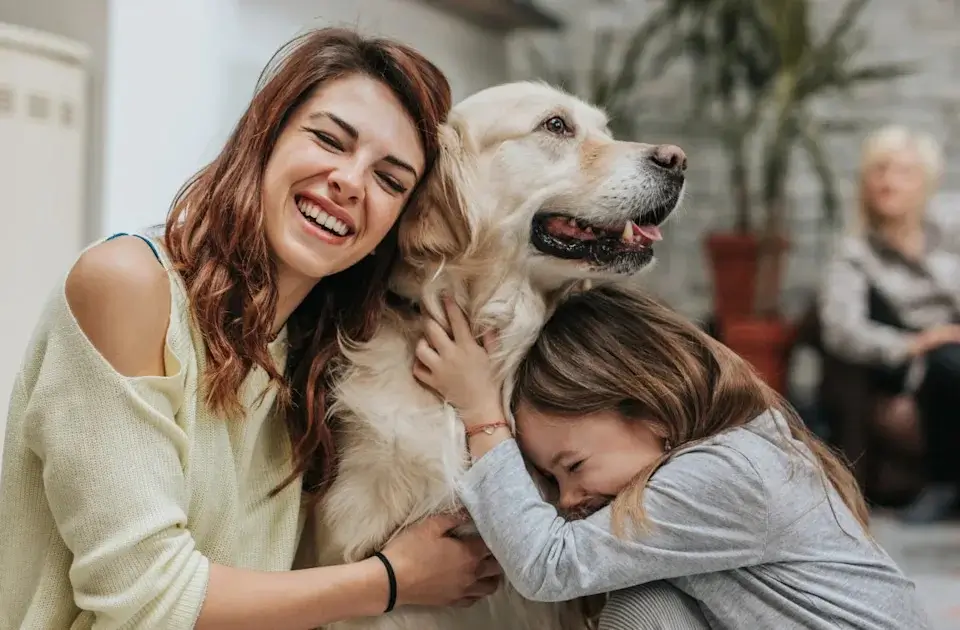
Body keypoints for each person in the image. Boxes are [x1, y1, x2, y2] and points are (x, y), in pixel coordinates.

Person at [0, 28, 501, 630]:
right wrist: (394, 579)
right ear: (264, 137)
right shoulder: (129, 285)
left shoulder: (309, 358)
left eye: (390, 180)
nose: (350, 181)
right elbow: (146, 598)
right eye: (328, 139)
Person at [414, 287, 932, 630]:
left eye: (572, 466)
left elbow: (550, 565)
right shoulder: (743, 447)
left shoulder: (728, 474)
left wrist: (481, 413)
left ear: (652, 411)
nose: (567, 500)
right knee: (646, 603)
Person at [819, 124, 960, 523]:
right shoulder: (854, 253)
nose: (889, 182)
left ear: (926, 183)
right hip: (914, 362)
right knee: (948, 362)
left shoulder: (951, 231)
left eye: (903, 172)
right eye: (880, 171)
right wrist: (913, 345)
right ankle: (944, 483)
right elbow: (840, 328)